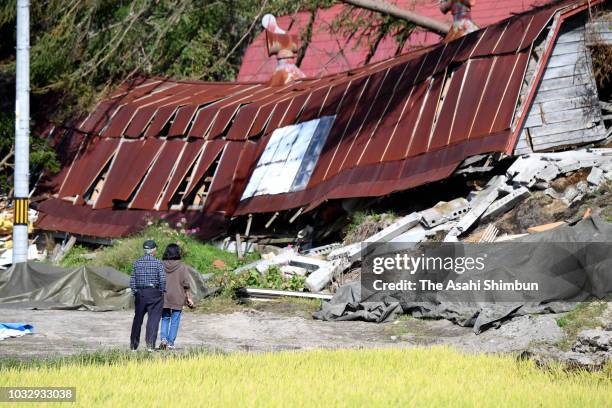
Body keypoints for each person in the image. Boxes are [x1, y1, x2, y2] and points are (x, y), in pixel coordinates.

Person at [130, 240, 166, 351]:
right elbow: (162, 279)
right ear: (154, 250)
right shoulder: (158, 263)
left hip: (140, 294)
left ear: (144, 250)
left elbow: (132, 280)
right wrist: (161, 291)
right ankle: (150, 346)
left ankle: (133, 347)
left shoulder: (137, 263)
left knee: (138, 320)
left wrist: (136, 291)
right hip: (154, 293)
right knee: (153, 320)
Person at [159, 243, 193, 350]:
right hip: (178, 296)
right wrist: (189, 298)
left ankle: (163, 339)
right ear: (177, 252)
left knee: (165, 318)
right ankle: (170, 343)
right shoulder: (182, 267)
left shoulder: (160, 265)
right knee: (175, 320)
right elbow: (186, 284)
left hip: (163, 296)